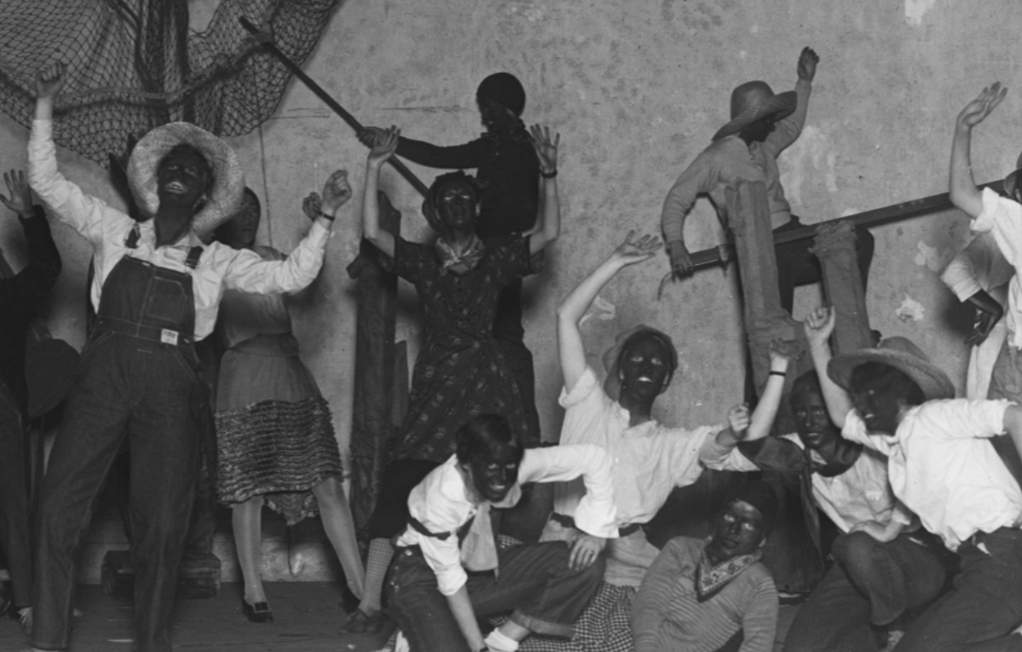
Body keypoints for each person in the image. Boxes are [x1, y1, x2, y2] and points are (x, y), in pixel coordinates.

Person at [26, 62, 346, 652]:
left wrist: (323, 218)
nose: (178, 174)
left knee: (164, 522)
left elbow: (293, 275)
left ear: (203, 194)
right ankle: (47, 637)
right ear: (155, 181)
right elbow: (46, 183)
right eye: (171, 166)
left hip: (172, 389)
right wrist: (45, 104)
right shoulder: (113, 228)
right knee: (57, 505)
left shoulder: (218, 261)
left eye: (191, 171)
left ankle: (152, 642)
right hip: (105, 375)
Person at [519, 232, 790, 652]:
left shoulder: (672, 443)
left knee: (670, 625)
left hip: (628, 556)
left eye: (658, 363)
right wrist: (615, 260)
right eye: (638, 358)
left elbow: (750, 451)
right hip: (565, 542)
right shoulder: (586, 402)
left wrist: (777, 372)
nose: (648, 365)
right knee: (542, 636)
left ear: (665, 381)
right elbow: (565, 317)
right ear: (622, 370)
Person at [347, 123, 561, 632]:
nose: (459, 204)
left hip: (488, 382)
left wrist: (549, 173)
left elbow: (548, 233)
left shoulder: (499, 256)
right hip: (440, 382)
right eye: (449, 198)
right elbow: (374, 235)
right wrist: (375, 165)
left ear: (477, 208)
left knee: (491, 488)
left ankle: (485, 597)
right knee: (403, 480)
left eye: (467, 196)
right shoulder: (422, 261)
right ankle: (373, 602)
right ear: (434, 213)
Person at [807, 302, 1022, 651]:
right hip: (975, 563)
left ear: (901, 392)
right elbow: (841, 416)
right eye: (861, 393)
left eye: (872, 392)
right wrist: (817, 345)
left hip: (1005, 556)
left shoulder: (936, 417)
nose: (862, 402)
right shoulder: (894, 444)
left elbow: (1014, 416)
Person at [660, 46, 873, 393]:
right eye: (768, 116)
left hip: (790, 237)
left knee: (857, 239)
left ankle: (844, 324)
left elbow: (791, 126)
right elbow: (676, 199)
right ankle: (759, 415)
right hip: (757, 252)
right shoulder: (716, 157)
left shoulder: (763, 145)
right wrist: (676, 244)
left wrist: (804, 82)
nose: (774, 122)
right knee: (767, 341)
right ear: (752, 120)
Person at [359, 72, 542, 442]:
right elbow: (443, 157)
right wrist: (392, 145)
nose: (484, 115)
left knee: (504, 343)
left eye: (488, 107)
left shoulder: (522, 149)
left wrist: (479, 208)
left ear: (504, 106)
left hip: (498, 258)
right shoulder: (494, 146)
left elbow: (526, 213)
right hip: (478, 250)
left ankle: (525, 438)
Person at [212, 187, 365, 622]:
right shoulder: (207, 258)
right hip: (243, 374)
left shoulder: (270, 254)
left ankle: (358, 587)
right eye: (236, 212)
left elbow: (305, 279)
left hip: (288, 367)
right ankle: (254, 591)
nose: (245, 219)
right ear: (219, 216)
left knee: (326, 478)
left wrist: (319, 223)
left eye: (252, 212)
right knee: (249, 489)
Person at [385, 413, 618, 652]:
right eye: (492, 469)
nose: (502, 480)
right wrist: (478, 648)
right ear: (466, 465)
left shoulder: (517, 463)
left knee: (586, 562)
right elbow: (451, 581)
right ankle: (418, 630)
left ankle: (502, 640)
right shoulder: (441, 497)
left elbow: (595, 458)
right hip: (418, 579)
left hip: (476, 575)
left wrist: (597, 532)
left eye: (510, 468)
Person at [780, 334, 947, 651]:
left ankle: (893, 627)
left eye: (818, 411)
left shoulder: (906, 439)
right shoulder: (808, 447)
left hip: (916, 562)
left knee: (855, 544)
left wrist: (889, 529)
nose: (810, 422)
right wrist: (812, 348)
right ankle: (876, 628)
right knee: (801, 646)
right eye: (802, 413)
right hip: (858, 567)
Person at [947, 83, 1022, 486]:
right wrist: (963, 128)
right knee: (999, 468)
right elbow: (962, 193)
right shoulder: (1017, 224)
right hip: (1016, 365)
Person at [0, 168, 61, 633]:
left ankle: (23, 598)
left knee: (12, 502)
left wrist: (27, 214)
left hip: (3, 405)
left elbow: (44, 270)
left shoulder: (7, 295)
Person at [629, 481, 779, 652]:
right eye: (729, 517)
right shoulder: (680, 548)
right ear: (716, 519)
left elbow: (759, 644)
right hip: (636, 638)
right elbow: (650, 602)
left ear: (762, 539)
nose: (734, 530)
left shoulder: (759, 583)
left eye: (748, 525)